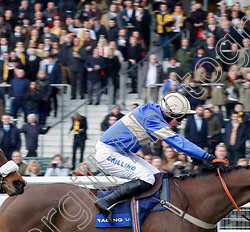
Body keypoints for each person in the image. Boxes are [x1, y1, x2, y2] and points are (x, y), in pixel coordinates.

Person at [94, 92, 219, 220]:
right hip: (108, 153)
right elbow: (177, 142)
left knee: (158, 177)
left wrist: (196, 156)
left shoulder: (155, 112)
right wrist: (207, 156)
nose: (180, 123)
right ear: (169, 114)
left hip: (121, 152)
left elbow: (179, 144)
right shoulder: (151, 119)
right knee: (147, 178)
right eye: (180, 119)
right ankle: (106, 202)